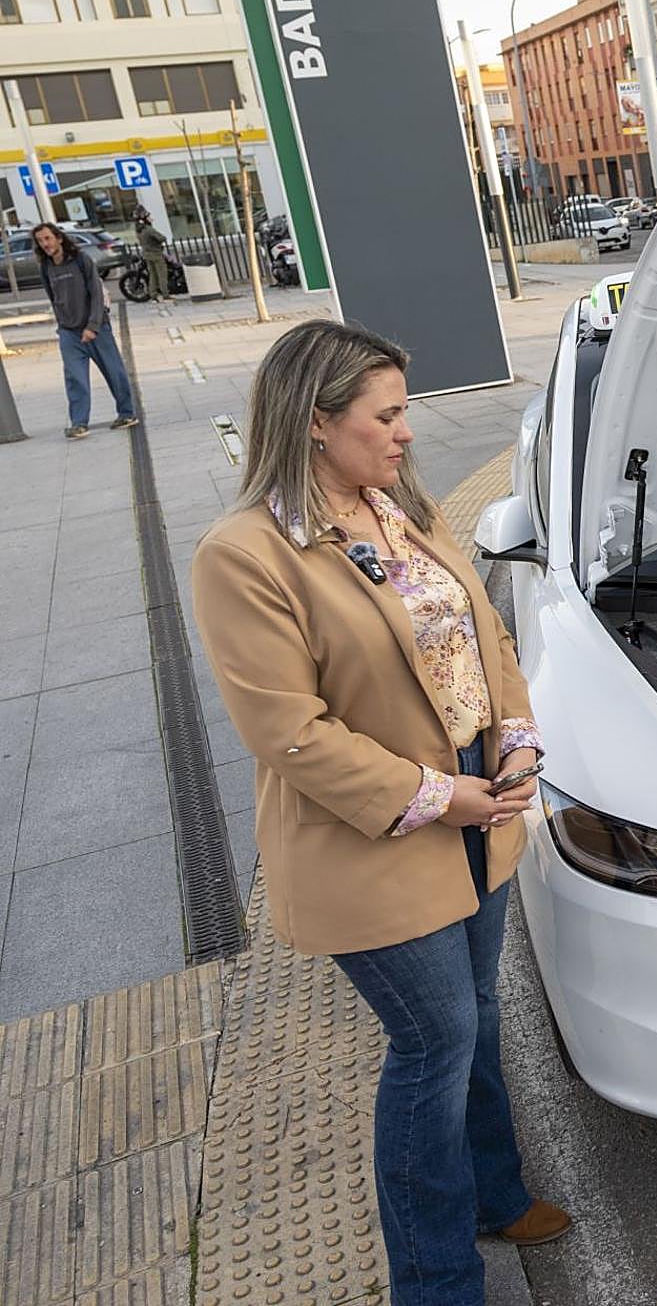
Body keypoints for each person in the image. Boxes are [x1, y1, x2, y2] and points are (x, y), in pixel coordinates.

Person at [190, 321, 573, 1306]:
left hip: (479, 807)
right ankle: (437, 1284)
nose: (408, 433)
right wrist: (442, 797)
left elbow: (484, 637)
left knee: (477, 1015)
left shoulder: (399, 507)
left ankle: (496, 1193)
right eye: (388, 415)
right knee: (435, 1042)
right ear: (316, 422)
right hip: (382, 835)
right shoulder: (246, 555)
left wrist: (517, 739)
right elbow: (288, 733)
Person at [33, 222, 138, 439]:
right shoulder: (46, 266)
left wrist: (92, 326)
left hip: (96, 328)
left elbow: (96, 293)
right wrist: (62, 326)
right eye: (40, 241)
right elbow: (53, 297)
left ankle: (127, 413)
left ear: (59, 238)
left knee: (114, 372)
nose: (45, 244)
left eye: (48, 238)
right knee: (75, 377)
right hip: (68, 332)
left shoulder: (81, 260)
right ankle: (79, 423)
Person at [134, 207, 171, 305]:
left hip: (147, 254)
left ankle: (153, 295)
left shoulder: (139, 230)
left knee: (153, 275)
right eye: (149, 216)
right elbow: (162, 238)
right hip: (156, 254)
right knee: (162, 275)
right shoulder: (149, 229)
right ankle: (165, 294)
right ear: (145, 218)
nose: (151, 218)